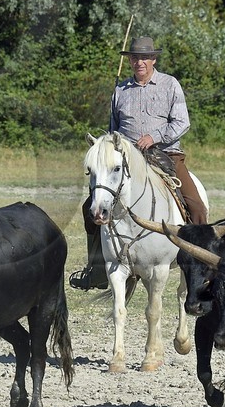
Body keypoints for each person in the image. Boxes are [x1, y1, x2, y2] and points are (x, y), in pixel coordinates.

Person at [72, 35, 206, 290]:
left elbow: (181, 122)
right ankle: (97, 269)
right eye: (135, 57)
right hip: (126, 161)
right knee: (91, 207)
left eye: (145, 57)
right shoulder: (120, 91)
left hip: (166, 156)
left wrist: (154, 137)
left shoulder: (170, 85)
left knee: (197, 207)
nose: (139, 62)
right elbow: (112, 131)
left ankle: (200, 268)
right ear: (130, 61)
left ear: (153, 59)